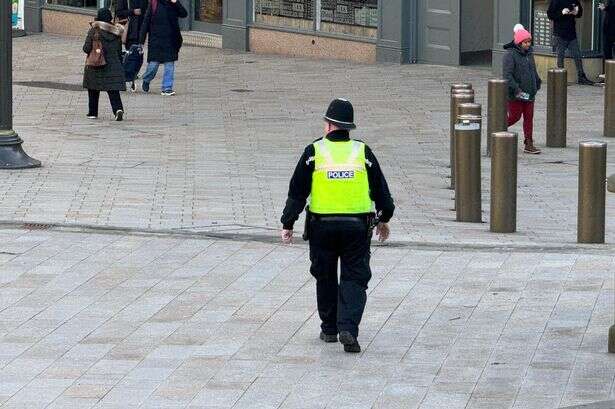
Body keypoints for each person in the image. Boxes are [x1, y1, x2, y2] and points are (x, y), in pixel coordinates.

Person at [280, 98, 395, 353]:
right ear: (348, 127)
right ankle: (348, 329)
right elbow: (382, 191)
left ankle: (329, 328)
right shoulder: (362, 152)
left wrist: (288, 222)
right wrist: (384, 218)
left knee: (325, 276)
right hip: (357, 227)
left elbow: (297, 191)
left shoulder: (313, 152)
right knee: (355, 278)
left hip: (322, 226)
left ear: (330, 125)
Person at [503, 26, 542, 154]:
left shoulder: (529, 54)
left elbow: (533, 70)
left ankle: (529, 142)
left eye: (529, 41)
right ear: (519, 42)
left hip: (529, 92)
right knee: (515, 116)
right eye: (525, 42)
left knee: (529, 117)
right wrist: (516, 89)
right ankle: (498, 128)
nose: (527, 44)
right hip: (517, 93)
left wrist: (537, 82)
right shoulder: (510, 54)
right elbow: (507, 75)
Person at [83, 8, 126, 121]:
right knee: (113, 90)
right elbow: (118, 51)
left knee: (93, 88)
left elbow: (86, 48)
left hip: (95, 64)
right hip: (113, 65)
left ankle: (93, 112)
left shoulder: (94, 30)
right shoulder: (116, 32)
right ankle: (118, 109)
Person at [139, 0, 187, 96]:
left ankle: (167, 88)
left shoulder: (173, 4)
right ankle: (146, 79)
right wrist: (141, 40)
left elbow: (184, 14)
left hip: (171, 39)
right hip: (156, 40)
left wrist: (176, 2)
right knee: (153, 65)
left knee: (169, 64)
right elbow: (146, 22)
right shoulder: (153, 3)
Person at [547, 0, 594, 85]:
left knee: (577, 56)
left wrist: (576, 12)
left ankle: (581, 77)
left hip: (571, 33)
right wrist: (561, 12)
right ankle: (560, 79)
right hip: (559, 34)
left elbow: (580, 13)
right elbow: (550, 15)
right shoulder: (555, 1)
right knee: (560, 57)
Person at [115, 0, 148, 91]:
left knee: (138, 57)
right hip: (129, 32)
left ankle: (131, 77)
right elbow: (119, 12)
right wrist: (132, 12)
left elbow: (146, 12)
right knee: (130, 57)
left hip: (140, 31)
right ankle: (128, 79)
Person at [599, 1, 615, 82]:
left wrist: (606, 8)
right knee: (606, 53)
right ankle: (606, 77)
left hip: (612, 29)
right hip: (607, 29)